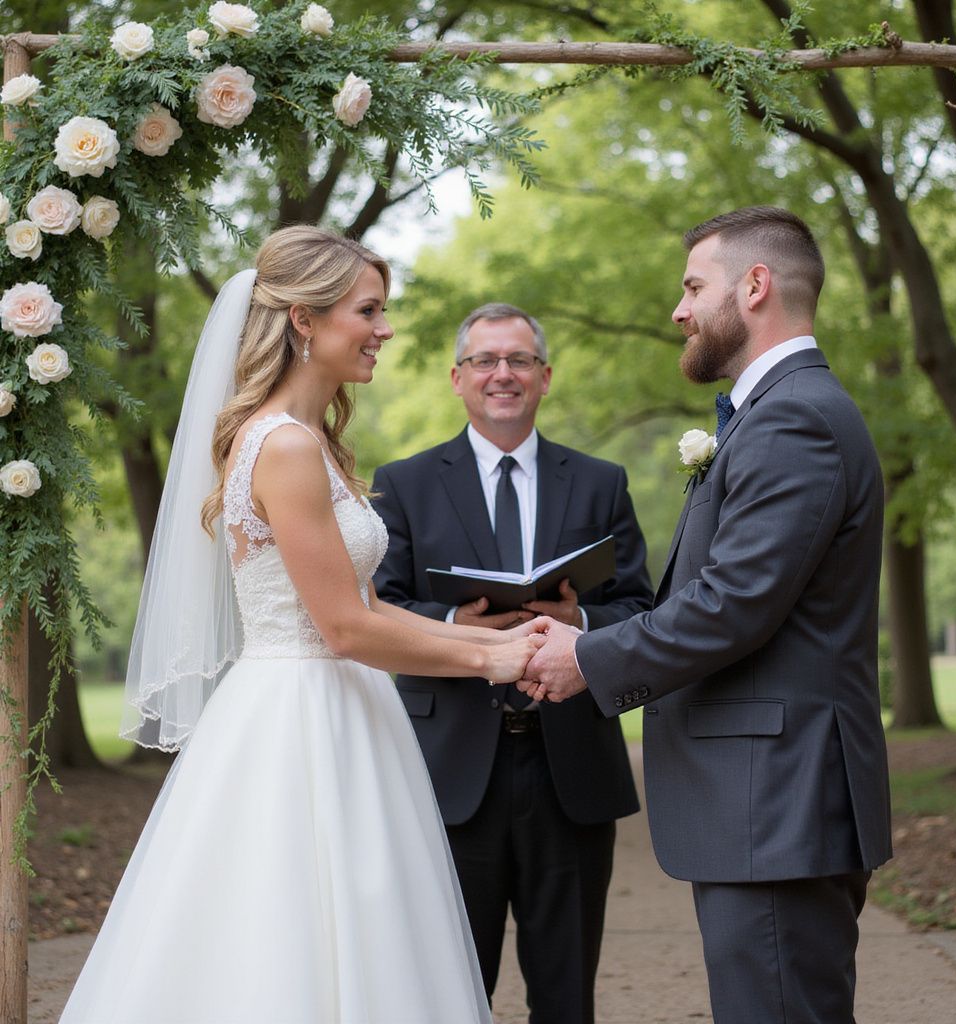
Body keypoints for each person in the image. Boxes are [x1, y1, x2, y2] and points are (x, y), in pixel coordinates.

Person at [60, 228, 546, 1023]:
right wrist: (491, 665)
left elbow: (366, 606)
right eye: (369, 310)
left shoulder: (310, 441)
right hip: (299, 719)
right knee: (289, 927)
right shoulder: (282, 446)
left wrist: (495, 642)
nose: (385, 329)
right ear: (304, 322)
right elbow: (346, 630)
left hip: (343, 703)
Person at [520, 207, 893, 1024]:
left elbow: (734, 606)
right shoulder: (776, 415)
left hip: (776, 802)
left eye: (693, 286)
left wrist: (588, 661)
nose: (679, 310)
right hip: (765, 804)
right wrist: (590, 633)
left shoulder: (795, 419)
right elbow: (725, 593)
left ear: (755, 286)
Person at [370, 303, 653, 1024]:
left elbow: (640, 612)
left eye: (519, 360)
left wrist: (578, 621)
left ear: (545, 376)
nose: (503, 374)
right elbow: (381, 607)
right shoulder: (403, 483)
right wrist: (456, 625)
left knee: (567, 997)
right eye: (486, 361)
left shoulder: (601, 483)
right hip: (450, 772)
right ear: (457, 378)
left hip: (571, 769)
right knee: (451, 993)